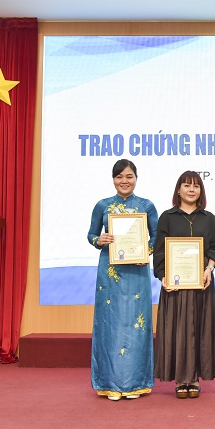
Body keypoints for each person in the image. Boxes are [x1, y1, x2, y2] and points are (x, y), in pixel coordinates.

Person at [87, 159, 158, 400]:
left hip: (137, 272)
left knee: (136, 325)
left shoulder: (146, 206)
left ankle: (135, 383)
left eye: (129, 176)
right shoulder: (102, 205)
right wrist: (99, 240)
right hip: (110, 273)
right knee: (110, 323)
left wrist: (146, 251)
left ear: (136, 178)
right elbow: (91, 234)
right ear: (113, 179)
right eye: (119, 177)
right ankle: (110, 383)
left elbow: (157, 237)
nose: (124, 181)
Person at [153, 171, 215, 399]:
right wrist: (162, 276)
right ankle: (180, 379)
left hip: (201, 283)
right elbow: (160, 251)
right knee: (177, 331)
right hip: (175, 285)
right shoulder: (167, 217)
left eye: (196, 186)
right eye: (186, 185)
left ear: (201, 191)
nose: (191, 190)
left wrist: (209, 269)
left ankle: (193, 379)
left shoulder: (209, 219)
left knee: (198, 330)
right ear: (178, 190)